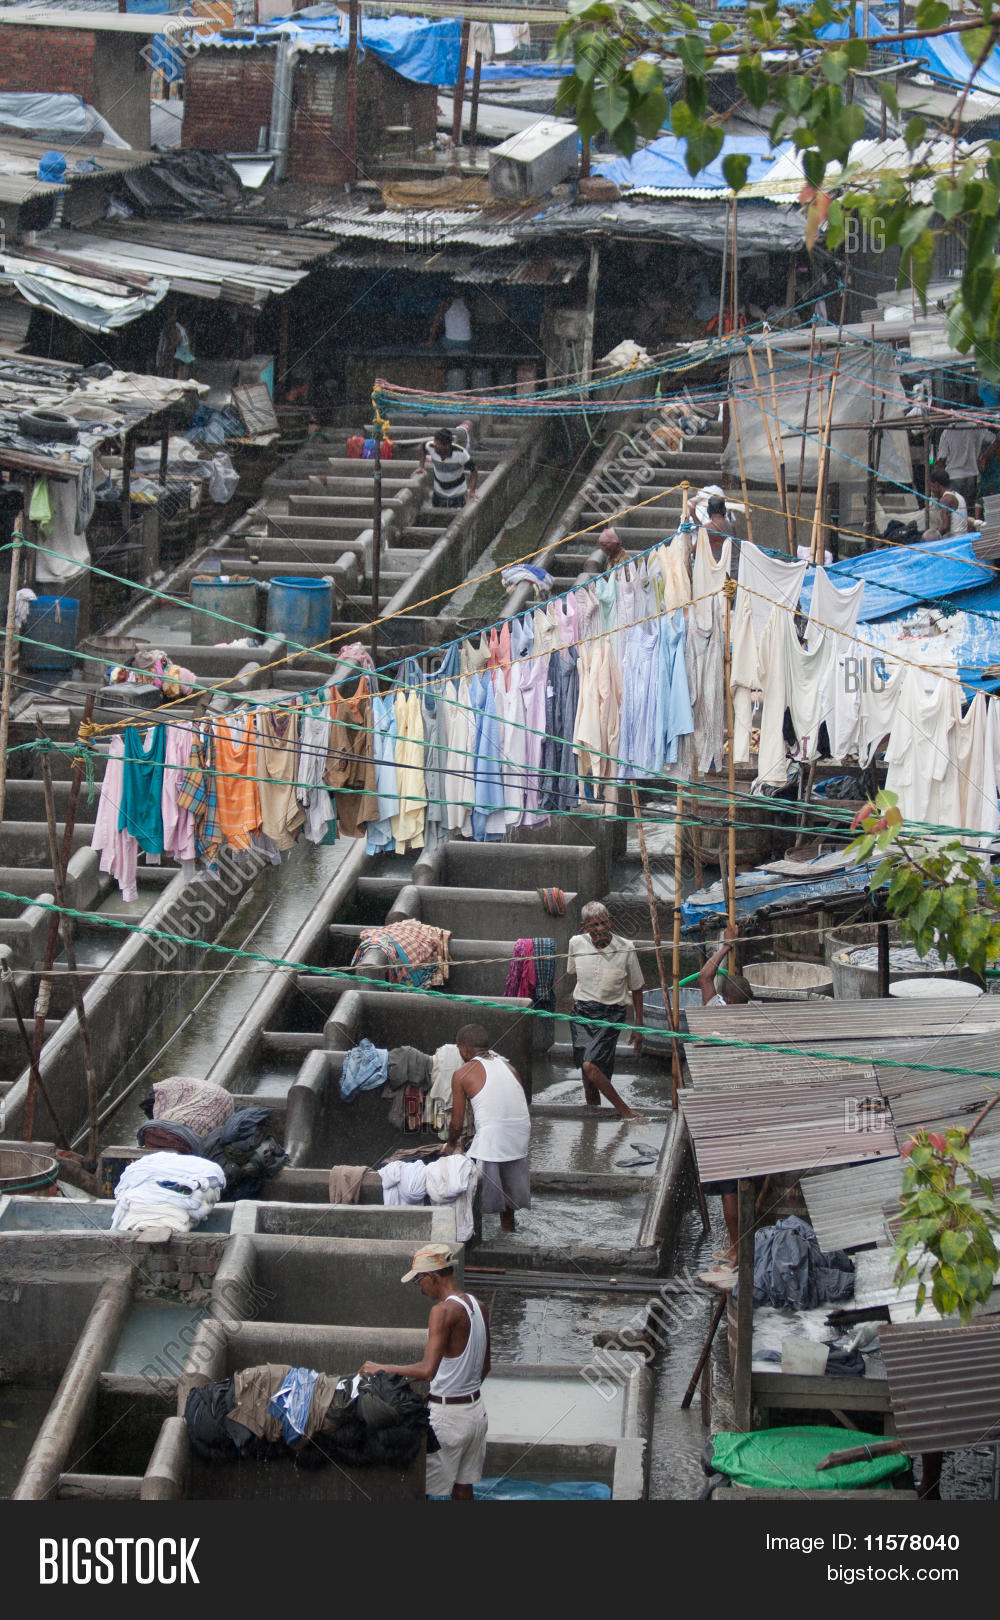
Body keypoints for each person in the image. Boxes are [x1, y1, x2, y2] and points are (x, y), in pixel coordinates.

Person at [359, 1244, 490, 1502]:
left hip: (448, 1419)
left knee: (428, 1490)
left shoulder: (442, 1312)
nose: (418, 1287)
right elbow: (486, 1367)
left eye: (419, 1280)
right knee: (463, 1488)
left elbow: (427, 1370)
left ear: (434, 1277)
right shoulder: (480, 1306)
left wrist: (381, 1368)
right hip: (476, 1414)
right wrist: (461, 1389)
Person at [697, 924, 755, 1269]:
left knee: (728, 1186)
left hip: (720, 1108)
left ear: (727, 1001)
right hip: (745, 1107)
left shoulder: (716, 1015)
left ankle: (735, 1249)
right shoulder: (756, 1018)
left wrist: (725, 947)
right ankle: (736, 1245)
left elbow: (705, 976)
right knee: (738, 1180)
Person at [445, 1023, 530, 1233]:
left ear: (462, 1049)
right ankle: (508, 1230)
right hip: (520, 1135)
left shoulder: (462, 1074)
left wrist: (451, 1145)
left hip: (494, 1138)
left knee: (471, 1191)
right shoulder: (509, 1067)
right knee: (508, 1195)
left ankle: (474, 1239)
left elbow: (456, 1123)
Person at [567, 900, 645, 1121]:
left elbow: (637, 989)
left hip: (611, 1015)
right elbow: (574, 972)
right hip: (582, 1013)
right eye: (594, 926)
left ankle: (626, 1112)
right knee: (587, 1075)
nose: (600, 929)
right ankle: (593, 1123)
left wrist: (638, 1026)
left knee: (591, 1066)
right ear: (585, 928)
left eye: (603, 923)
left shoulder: (625, 948)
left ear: (610, 922)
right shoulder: (576, 944)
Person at [935, 420, 994, 509]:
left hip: (954, 475)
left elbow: (942, 458)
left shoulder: (948, 431)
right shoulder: (976, 427)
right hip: (972, 474)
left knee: (955, 508)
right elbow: (995, 439)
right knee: (969, 508)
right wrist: (984, 456)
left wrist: (941, 477)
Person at [419, 427, 478, 509]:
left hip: (458, 493)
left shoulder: (461, 454)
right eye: (435, 443)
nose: (435, 447)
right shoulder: (431, 446)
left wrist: (472, 491)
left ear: (447, 446)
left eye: (438, 445)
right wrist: (421, 466)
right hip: (439, 491)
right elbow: (423, 447)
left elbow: (474, 471)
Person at [923, 466, 969, 540]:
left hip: (954, 540)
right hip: (962, 537)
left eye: (932, 486)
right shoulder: (958, 496)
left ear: (937, 485)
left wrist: (929, 537)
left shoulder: (945, 499)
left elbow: (945, 527)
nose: (932, 490)